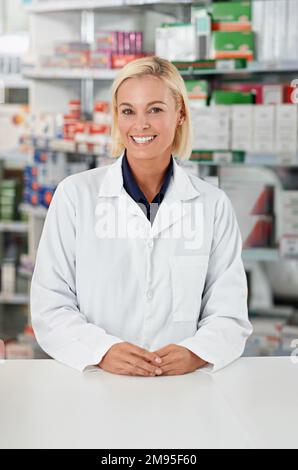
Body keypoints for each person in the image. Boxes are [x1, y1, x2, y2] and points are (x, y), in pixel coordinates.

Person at [30, 56, 252, 376]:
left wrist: (195, 352)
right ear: (117, 118)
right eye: (128, 111)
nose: (141, 124)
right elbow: (50, 305)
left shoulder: (212, 205)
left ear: (180, 114)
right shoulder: (75, 195)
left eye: (155, 109)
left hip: (182, 390)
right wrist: (102, 350)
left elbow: (229, 314)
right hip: (99, 387)